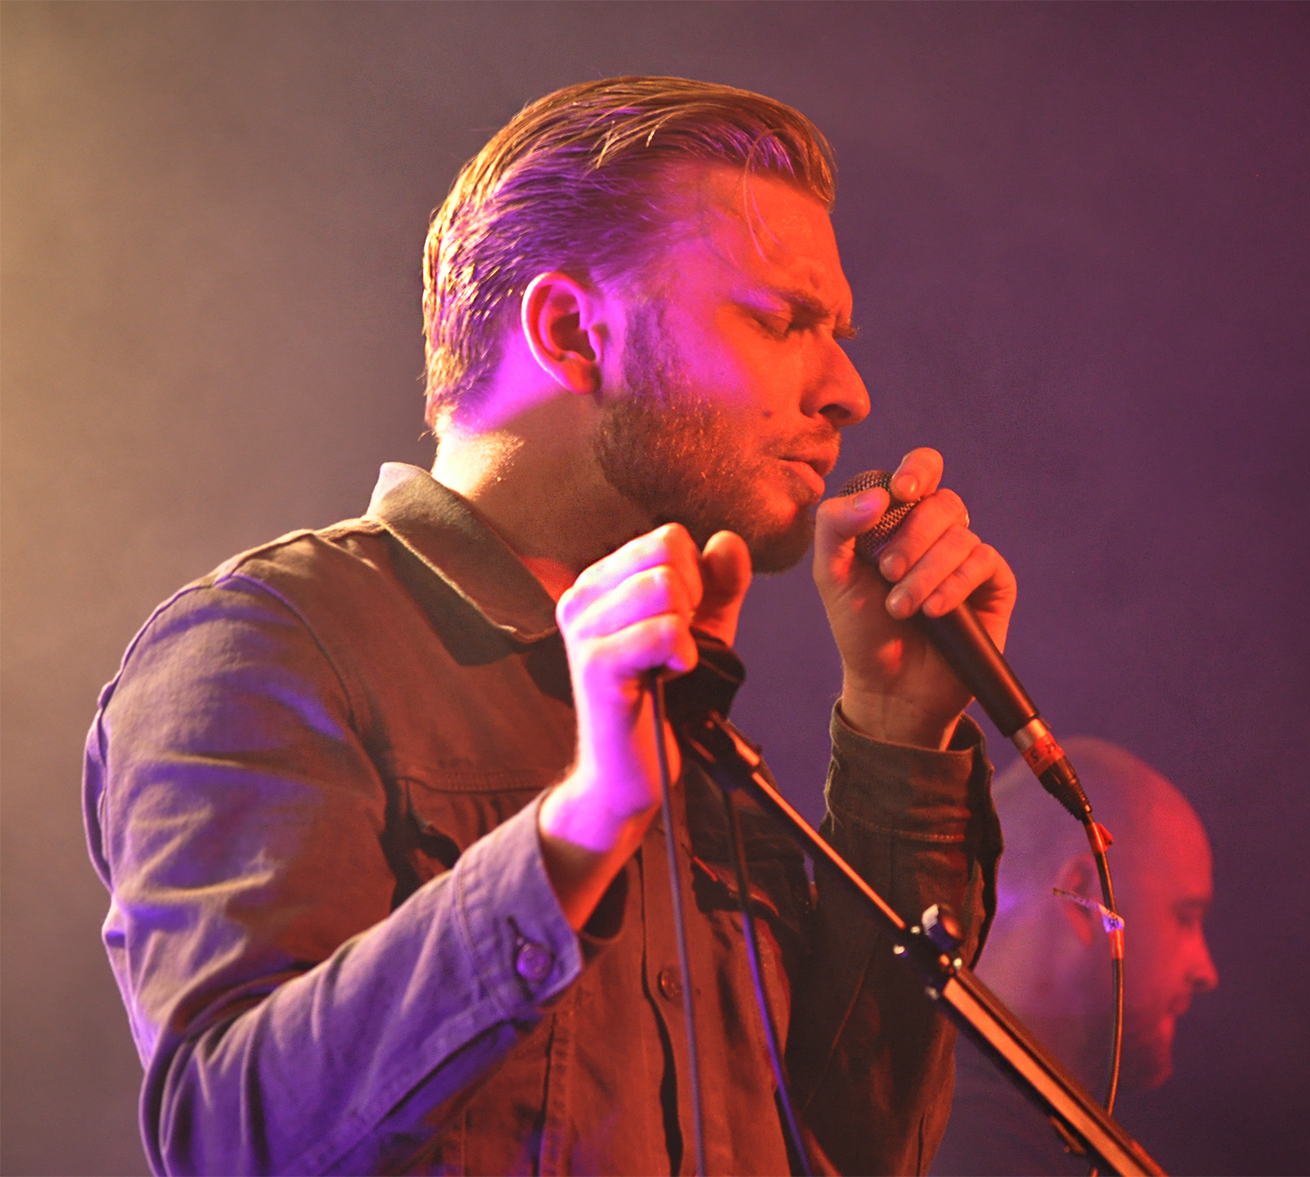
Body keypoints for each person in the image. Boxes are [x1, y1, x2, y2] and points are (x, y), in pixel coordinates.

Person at [83, 77, 1013, 1176]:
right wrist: (579, 829)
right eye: (781, 319)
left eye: (835, 333)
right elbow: (229, 1140)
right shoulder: (270, 642)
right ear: (572, 331)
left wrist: (898, 736)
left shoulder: (686, 704)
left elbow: (854, 1148)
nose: (848, 389)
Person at [929, 738, 1218, 1176]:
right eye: (1185, 918)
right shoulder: (976, 1139)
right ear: (1083, 896)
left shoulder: (992, 1116)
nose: (1206, 971)